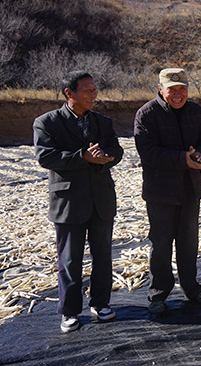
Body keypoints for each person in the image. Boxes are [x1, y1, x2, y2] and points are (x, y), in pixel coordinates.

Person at [33, 70, 123, 333]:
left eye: (95, 89)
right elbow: (46, 157)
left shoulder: (102, 122)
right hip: (69, 201)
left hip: (101, 198)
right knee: (70, 259)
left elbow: (116, 149)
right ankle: (70, 312)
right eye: (87, 90)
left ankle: (101, 303)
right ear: (69, 93)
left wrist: (107, 156)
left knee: (103, 255)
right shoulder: (47, 122)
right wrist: (82, 157)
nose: (93, 94)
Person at [134, 68, 201, 313]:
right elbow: (147, 152)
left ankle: (192, 288)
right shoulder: (146, 114)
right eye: (172, 89)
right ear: (161, 89)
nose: (178, 94)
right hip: (161, 192)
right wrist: (183, 160)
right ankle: (158, 294)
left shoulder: (194, 111)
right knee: (161, 243)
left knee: (189, 242)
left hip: (190, 189)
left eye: (182, 89)